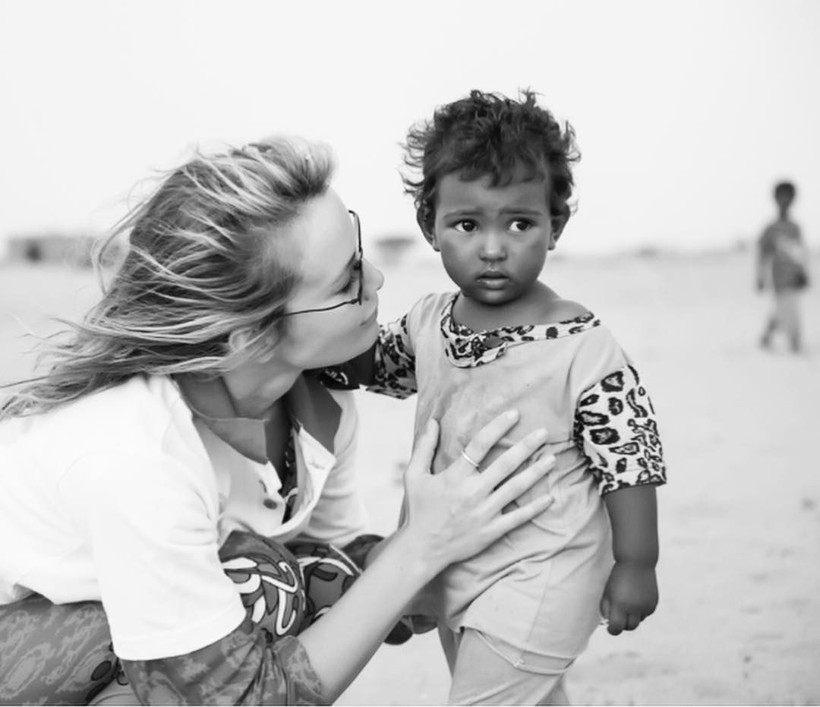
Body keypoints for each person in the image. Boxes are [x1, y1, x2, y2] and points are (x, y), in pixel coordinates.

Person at [0, 136, 558, 705]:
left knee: (292, 578)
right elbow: (244, 697)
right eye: (345, 282)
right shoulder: (138, 462)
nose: (377, 283)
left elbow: (338, 568)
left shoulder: (320, 399)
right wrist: (422, 547)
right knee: (260, 583)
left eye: (359, 254)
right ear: (249, 334)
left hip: (119, 635)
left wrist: (455, 542)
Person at [354, 90, 667, 705]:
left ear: (555, 227)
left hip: (542, 573)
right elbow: (377, 367)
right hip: (450, 562)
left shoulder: (582, 346)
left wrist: (637, 564)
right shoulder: (431, 322)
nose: (493, 248)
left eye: (520, 223)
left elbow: (630, 461)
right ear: (431, 228)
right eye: (468, 225)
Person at [756, 180, 810, 353]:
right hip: (778, 278)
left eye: (789, 197)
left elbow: (800, 254)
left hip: (794, 277)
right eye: (782, 197)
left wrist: (803, 273)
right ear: (775, 199)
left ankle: (767, 335)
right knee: (789, 312)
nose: (785, 201)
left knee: (782, 310)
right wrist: (760, 277)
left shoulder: (795, 228)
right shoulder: (770, 229)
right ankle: (795, 343)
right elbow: (762, 254)